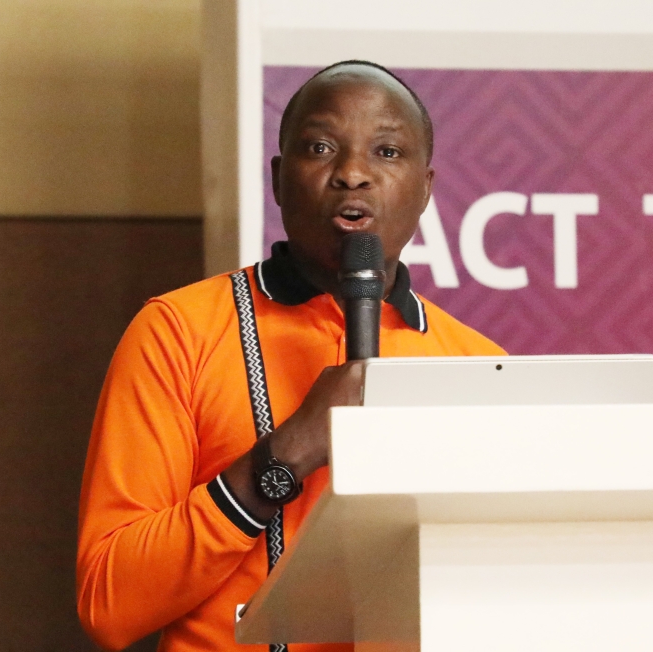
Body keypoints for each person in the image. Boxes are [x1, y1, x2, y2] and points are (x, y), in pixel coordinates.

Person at [76, 61, 505, 652]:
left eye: (387, 151)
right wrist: (284, 455)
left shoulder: (477, 365)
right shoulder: (178, 332)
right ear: (278, 179)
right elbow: (109, 604)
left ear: (426, 187)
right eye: (321, 146)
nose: (352, 174)